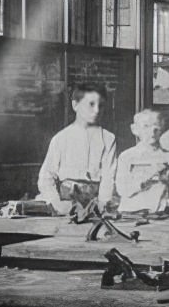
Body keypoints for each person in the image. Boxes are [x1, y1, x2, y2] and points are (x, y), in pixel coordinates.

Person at [38, 83, 117, 215]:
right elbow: (46, 177)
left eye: (101, 105)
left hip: (96, 205)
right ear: (75, 105)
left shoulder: (108, 138)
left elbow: (109, 176)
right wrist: (56, 203)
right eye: (91, 104)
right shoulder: (61, 138)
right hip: (67, 204)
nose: (97, 110)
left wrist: (103, 203)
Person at [115, 109, 169, 214]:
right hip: (133, 213)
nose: (152, 131)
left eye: (157, 126)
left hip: (162, 213)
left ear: (162, 128)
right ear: (134, 129)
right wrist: (149, 175)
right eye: (146, 126)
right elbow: (122, 190)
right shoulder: (127, 157)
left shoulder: (168, 157)